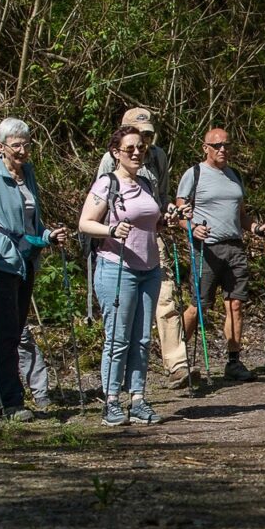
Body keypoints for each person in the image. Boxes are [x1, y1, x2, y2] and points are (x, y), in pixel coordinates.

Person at [0, 118, 68, 422]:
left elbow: (33, 223)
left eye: (26, 143)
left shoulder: (28, 173)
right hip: (1, 262)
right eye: (16, 145)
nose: (22, 150)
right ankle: (8, 401)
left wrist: (48, 235)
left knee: (14, 332)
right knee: (5, 333)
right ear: (1, 147)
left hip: (26, 262)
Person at [94, 108, 191, 388]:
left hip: (151, 237)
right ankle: (115, 388)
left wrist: (169, 214)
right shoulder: (109, 162)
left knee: (166, 298)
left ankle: (176, 365)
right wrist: (110, 232)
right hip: (118, 246)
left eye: (148, 135)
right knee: (123, 325)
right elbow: (99, 201)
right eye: (139, 136)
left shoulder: (157, 157)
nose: (143, 145)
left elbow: (161, 198)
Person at [79, 126, 166, 426]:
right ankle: (111, 402)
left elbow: (152, 222)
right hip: (116, 268)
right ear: (115, 153)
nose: (136, 152)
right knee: (117, 339)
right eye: (129, 148)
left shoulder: (146, 183)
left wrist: (171, 219)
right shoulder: (107, 184)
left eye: (140, 147)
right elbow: (84, 223)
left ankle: (138, 399)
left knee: (142, 339)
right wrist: (111, 230)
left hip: (149, 269)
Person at [175, 128, 265, 382]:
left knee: (236, 304)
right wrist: (193, 228)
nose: (222, 149)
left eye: (226, 145)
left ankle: (233, 361)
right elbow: (179, 215)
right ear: (204, 147)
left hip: (235, 247)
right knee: (199, 305)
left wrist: (256, 228)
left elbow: (241, 215)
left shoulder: (234, 175)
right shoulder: (194, 174)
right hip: (206, 249)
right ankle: (176, 360)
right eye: (216, 145)